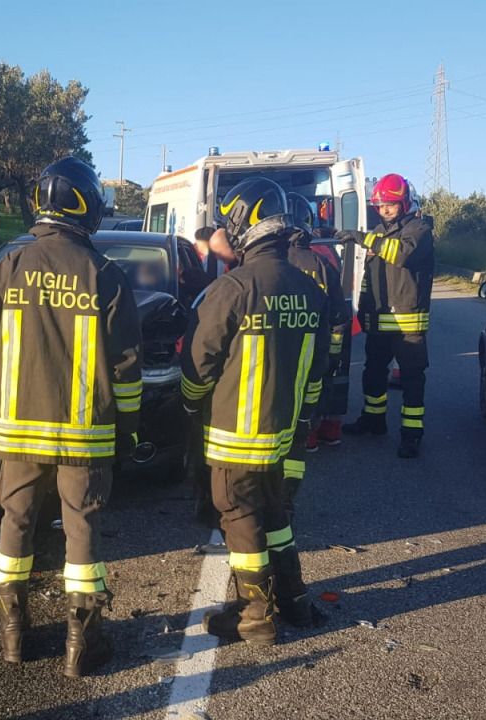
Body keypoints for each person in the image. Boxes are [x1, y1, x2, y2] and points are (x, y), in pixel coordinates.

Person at [0, 157, 142, 677]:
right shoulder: (104, 275)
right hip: (85, 440)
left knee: (15, 525)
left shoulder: (9, 267)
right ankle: (80, 646)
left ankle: (13, 637)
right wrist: (127, 432)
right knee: (82, 529)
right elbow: (128, 368)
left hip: (17, 436)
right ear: (86, 208)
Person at [180, 178, 328, 644]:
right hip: (283, 435)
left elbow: (199, 365)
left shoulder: (233, 288)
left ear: (246, 224)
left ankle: (254, 615)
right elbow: (319, 371)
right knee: (275, 515)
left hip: (233, 436)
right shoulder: (311, 291)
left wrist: (188, 403)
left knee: (239, 518)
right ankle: (296, 600)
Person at [337, 173, 435, 459]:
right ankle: (373, 420)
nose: (384, 210)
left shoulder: (419, 230)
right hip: (379, 322)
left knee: (412, 381)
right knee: (373, 374)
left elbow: (401, 254)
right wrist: (363, 312)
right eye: (380, 206)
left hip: (408, 325)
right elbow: (370, 278)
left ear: (404, 203)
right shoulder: (379, 231)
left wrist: (361, 237)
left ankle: (411, 435)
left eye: (390, 205)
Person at [284, 193, 351, 452]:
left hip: (282, 341)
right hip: (317, 339)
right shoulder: (322, 259)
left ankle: (299, 436)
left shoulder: (270, 261)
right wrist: (334, 353)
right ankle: (318, 432)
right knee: (319, 386)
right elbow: (338, 312)